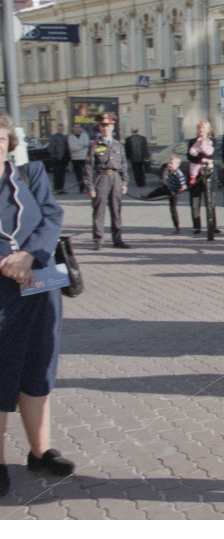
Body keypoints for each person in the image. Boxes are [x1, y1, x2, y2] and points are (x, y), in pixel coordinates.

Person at [0, 114, 75, 499]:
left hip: (41, 283)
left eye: (0, 138)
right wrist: (6, 262)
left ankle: (40, 452)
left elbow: (52, 217)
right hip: (2, 288)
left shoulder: (30, 174)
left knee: (39, 367)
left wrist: (28, 255)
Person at [84, 113, 130, 250]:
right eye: (103, 126)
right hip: (101, 178)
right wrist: (90, 187)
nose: (106, 128)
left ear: (113, 127)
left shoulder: (118, 145)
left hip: (115, 178)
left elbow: (123, 165)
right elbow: (88, 167)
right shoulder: (94, 145)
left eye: (108, 125)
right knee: (99, 211)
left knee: (116, 210)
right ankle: (98, 240)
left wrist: (125, 182)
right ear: (99, 128)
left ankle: (117, 240)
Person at [187, 121, 218, 236]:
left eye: (204, 128)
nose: (201, 130)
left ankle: (212, 225)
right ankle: (196, 226)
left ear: (208, 129)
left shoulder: (212, 141)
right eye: (200, 127)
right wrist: (202, 159)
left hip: (208, 174)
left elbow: (211, 155)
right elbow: (190, 156)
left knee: (210, 201)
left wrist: (202, 158)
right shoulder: (192, 141)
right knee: (195, 201)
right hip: (195, 176)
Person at [142, 155, 187, 234]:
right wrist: (165, 181)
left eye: (171, 163)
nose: (169, 165)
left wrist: (177, 193)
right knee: (158, 191)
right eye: (169, 163)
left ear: (177, 165)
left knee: (173, 210)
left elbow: (184, 186)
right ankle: (147, 197)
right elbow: (165, 179)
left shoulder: (179, 174)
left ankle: (177, 228)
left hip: (175, 192)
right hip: (169, 188)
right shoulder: (168, 170)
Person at [47, 124, 70, 194]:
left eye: (62, 129)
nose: (61, 130)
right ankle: (56, 189)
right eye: (59, 129)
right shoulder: (53, 137)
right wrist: (54, 156)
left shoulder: (65, 137)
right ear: (57, 130)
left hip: (63, 159)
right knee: (56, 174)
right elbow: (51, 148)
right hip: (56, 159)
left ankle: (61, 189)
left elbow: (67, 147)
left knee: (62, 175)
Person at [67, 123, 89, 193]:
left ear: (80, 128)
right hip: (75, 158)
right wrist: (82, 146)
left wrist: (77, 143)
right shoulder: (71, 137)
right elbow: (72, 148)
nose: (77, 129)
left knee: (86, 173)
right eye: (75, 127)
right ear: (73, 129)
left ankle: (87, 187)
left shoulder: (84, 135)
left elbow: (87, 143)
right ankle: (81, 188)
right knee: (78, 174)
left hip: (84, 157)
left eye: (78, 127)